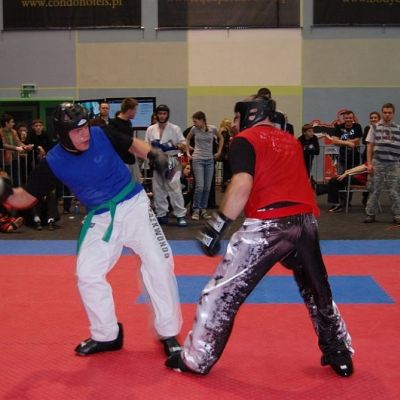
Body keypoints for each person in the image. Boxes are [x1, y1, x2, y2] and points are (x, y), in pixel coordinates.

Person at [165, 95, 354, 378]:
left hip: (268, 224)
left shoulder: (245, 140)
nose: (235, 123)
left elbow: (242, 182)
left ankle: (195, 359)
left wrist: (217, 226)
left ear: (250, 114)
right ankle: (338, 352)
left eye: (237, 117)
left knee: (221, 294)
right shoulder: (289, 140)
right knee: (318, 290)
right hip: (306, 222)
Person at [0, 102, 182, 358]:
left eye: (85, 127)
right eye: (76, 130)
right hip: (100, 216)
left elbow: (131, 144)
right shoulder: (53, 162)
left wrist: (155, 155)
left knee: (159, 264)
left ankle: (169, 332)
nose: (84, 134)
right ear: (62, 134)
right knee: (88, 274)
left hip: (134, 206)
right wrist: (5, 192)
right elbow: (25, 198)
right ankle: (107, 334)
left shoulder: (101, 133)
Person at [145, 104, 188, 227]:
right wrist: (151, 149)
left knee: (175, 189)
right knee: (158, 189)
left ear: (167, 114)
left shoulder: (175, 128)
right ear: (156, 115)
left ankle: (180, 215)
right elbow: (146, 145)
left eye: (164, 113)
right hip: (157, 161)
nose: (162, 116)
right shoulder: (151, 129)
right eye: (160, 113)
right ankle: (161, 214)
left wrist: (172, 146)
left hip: (171, 160)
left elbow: (184, 145)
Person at [365, 102, 400, 224]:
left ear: (393, 114)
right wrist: (369, 163)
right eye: (385, 112)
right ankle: (370, 214)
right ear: (382, 113)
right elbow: (370, 146)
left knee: (394, 191)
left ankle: (397, 215)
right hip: (378, 163)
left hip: (394, 164)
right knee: (374, 190)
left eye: (389, 113)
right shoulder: (374, 127)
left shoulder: (398, 128)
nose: (387, 115)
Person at [186, 111, 223, 221]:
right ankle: (196, 210)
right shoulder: (194, 129)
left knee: (207, 187)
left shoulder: (212, 129)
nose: (194, 123)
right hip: (197, 159)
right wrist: (188, 153)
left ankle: (203, 209)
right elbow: (187, 138)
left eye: (195, 121)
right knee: (200, 186)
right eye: (193, 121)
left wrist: (219, 152)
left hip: (209, 160)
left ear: (202, 120)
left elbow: (221, 138)